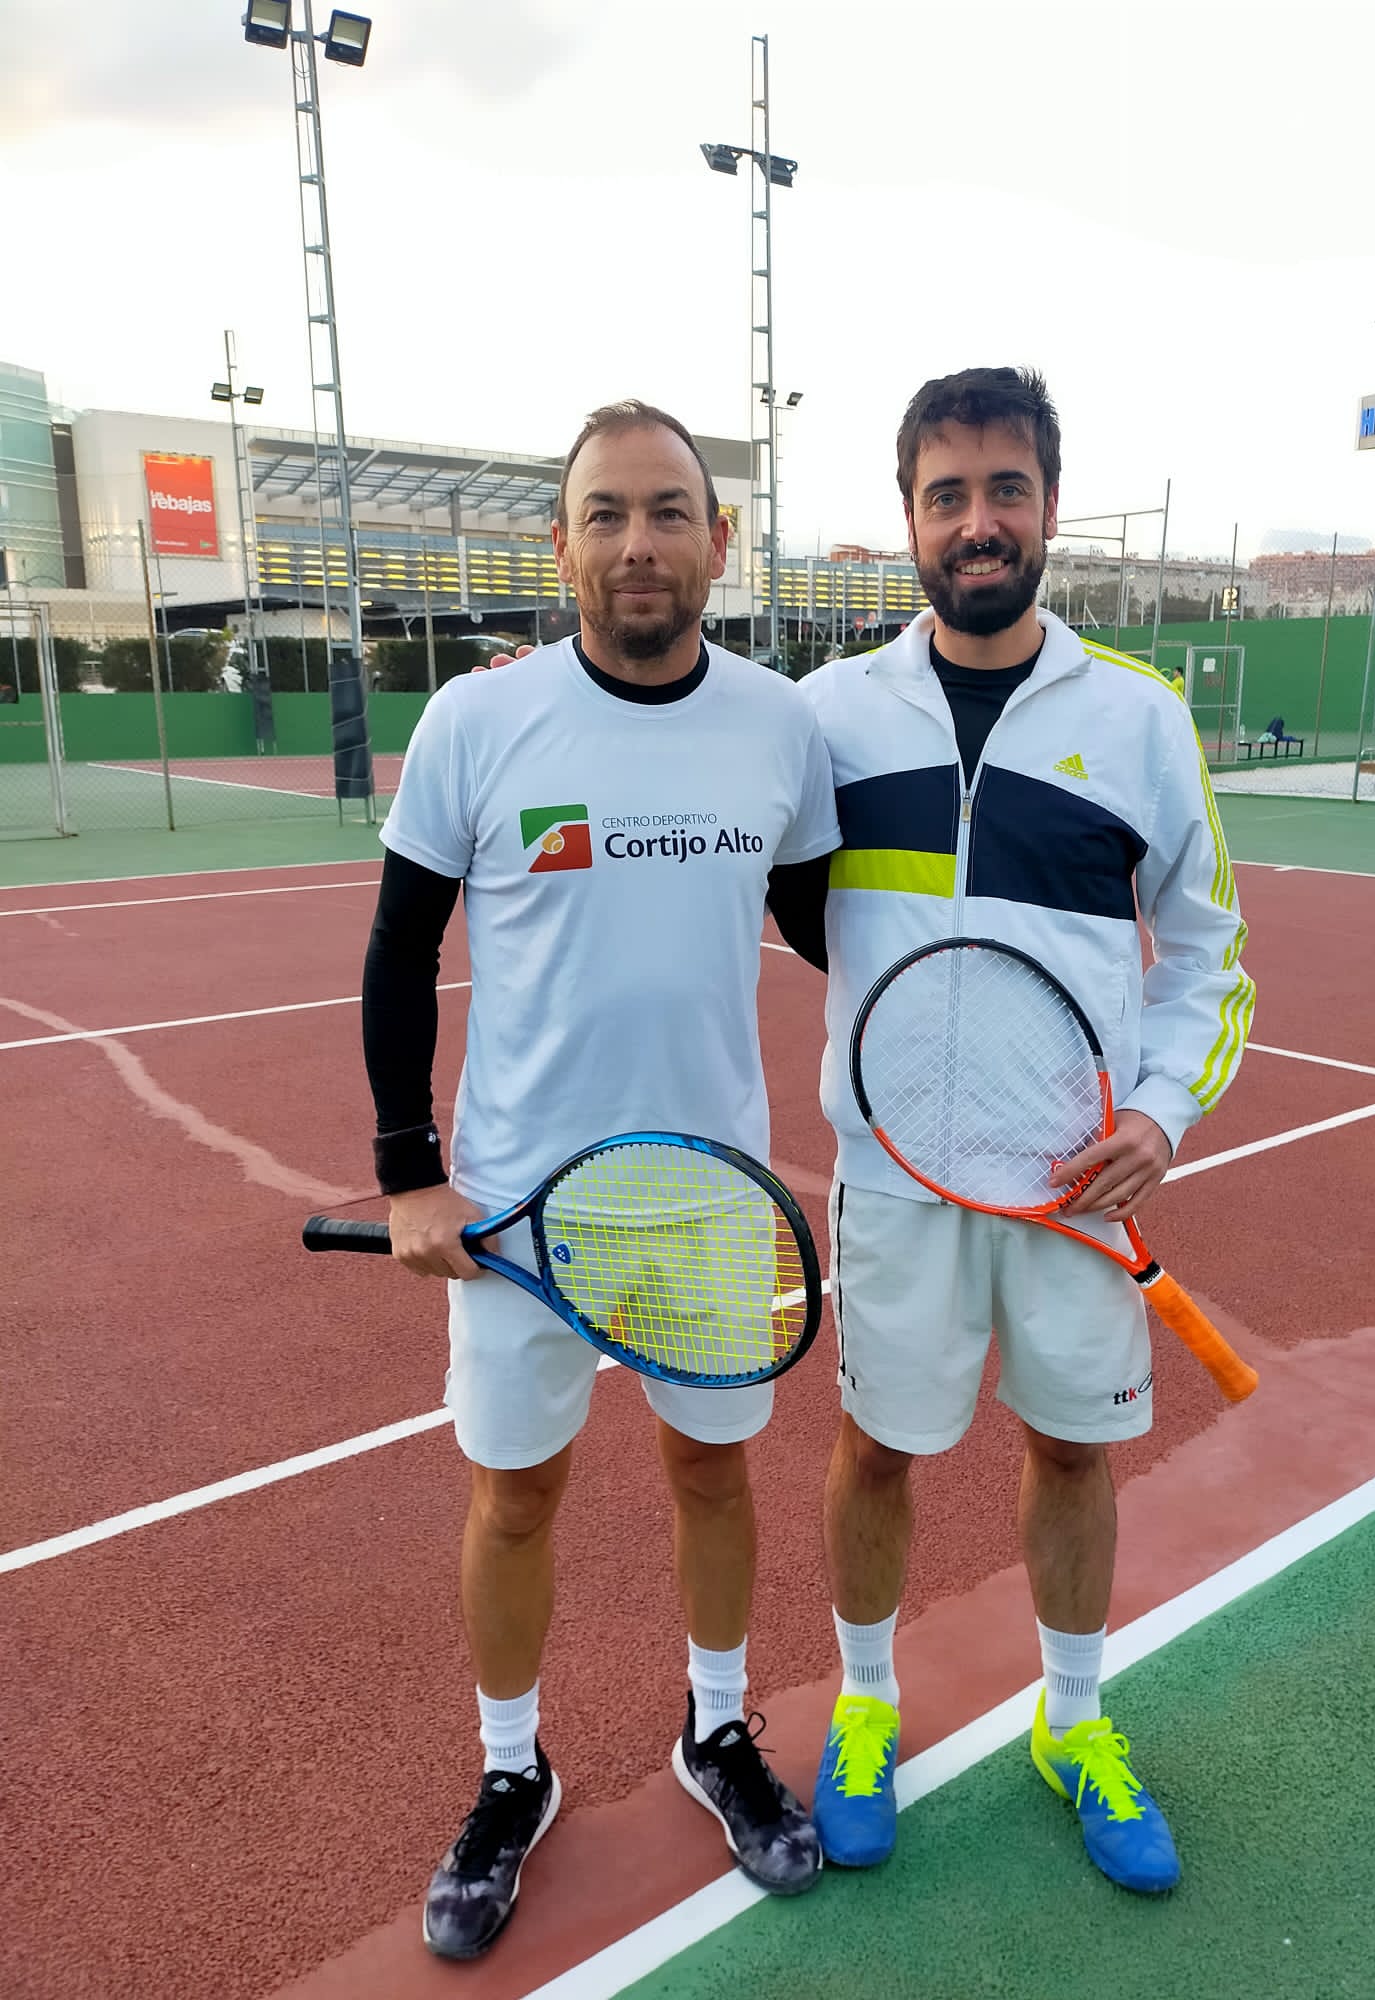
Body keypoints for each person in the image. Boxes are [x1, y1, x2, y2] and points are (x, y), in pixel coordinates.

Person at [364, 400, 840, 1960]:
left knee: (714, 1474)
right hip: (516, 1216)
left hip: (711, 1199)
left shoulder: (781, 726)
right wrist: (409, 1175)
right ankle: (515, 1772)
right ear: (560, 543)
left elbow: (835, 927)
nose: (640, 543)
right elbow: (396, 950)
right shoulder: (477, 723)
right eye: (607, 514)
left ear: (716, 539)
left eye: (667, 512)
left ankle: (716, 1734)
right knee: (516, 1499)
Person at [798, 367, 1254, 1893]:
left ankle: (1074, 1721)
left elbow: (1208, 955)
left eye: (1005, 489)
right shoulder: (830, 717)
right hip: (898, 1183)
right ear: (910, 518)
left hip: (1072, 1187)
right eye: (948, 494)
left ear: (1050, 507)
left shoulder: (1140, 719)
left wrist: (1161, 1112)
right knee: (876, 1452)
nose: (977, 521)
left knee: (1072, 1455)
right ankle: (866, 1709)